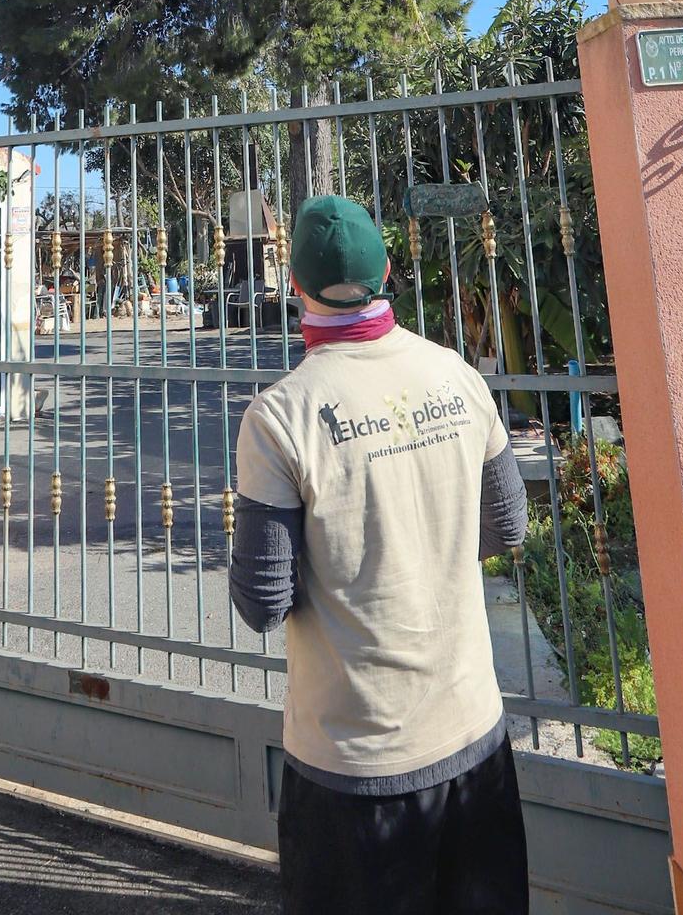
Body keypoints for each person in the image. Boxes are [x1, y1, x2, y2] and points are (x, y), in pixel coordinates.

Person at [231, 195, 530, 915]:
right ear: (388, 270)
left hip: (352, 766)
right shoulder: (455, 374)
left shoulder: (280, 417)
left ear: (294, 283)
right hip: (472, 738)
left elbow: (261, 603)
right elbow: (507, 527)